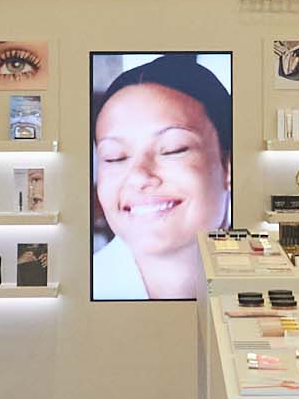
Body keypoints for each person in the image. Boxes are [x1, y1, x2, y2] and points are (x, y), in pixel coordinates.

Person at [90, 54, 233, 299]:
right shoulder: (79, 295)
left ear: (228, 165)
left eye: (173, 149)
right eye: (115, 157)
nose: (139, 176)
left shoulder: (278, 284)